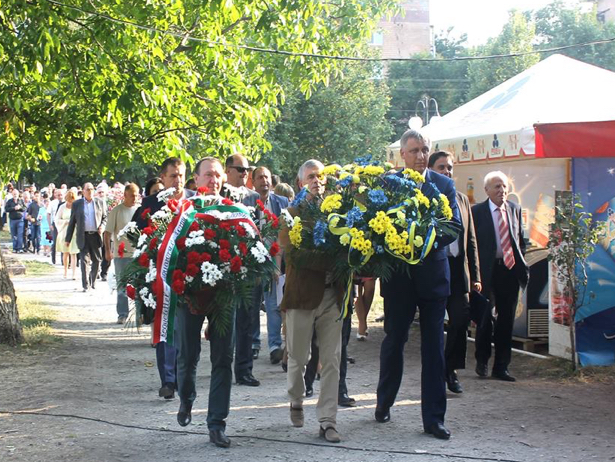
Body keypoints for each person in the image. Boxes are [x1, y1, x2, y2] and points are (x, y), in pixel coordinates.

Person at [375, 129, 461, 440]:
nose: (421, 155)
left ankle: (434, 419)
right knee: (395, 341)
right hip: (400, 280)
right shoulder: (386, 184)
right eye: (415, 150)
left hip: (434, 279)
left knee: (434, 349)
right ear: (402, 155)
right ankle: (384, 401)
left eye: (425, 149)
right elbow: (376, 227)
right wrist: (398, 244)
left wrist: (422, 241)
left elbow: (454, 228)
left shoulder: (443, 184)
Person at [279, 159, 344, 443]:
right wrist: (333, 258)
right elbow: (296, 256)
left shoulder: (340, 213)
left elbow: (350, 251)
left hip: (333, 296)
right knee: (299, 358)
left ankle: (328, 420)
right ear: (300, 183)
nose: (317, 181)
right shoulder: (290, 214)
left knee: (331, 360)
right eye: (310, 177)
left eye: (320, 176)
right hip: (302, 296)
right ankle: (295, 398)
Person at [174, 157, 235, 448]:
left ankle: (216, 423)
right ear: (196, 180)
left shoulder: (236, 212)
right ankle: (186, 398)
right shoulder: (183, 211)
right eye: (208, 175)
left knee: (223, 359)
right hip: (190, 294)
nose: (214, 180)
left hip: (223, 296)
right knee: (187, 355)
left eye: (218, 175)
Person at [133, 158, 192, 401]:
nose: (177, 180)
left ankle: (182, 375)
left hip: (189, 272)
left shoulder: (193, 200)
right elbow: (136, 235)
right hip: (158, 273)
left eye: (181, 175)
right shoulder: (150, 204)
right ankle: (168, 380)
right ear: (163, 178)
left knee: (184, 328)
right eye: (172, 176)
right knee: (165, 325)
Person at [428, 151, 481, 394]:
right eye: (441, 167)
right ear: (430, 170)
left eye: (449, 167)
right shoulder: (425, 197)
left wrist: (476, 277)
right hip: (435, 269)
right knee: (436, 324)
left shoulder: (461, 199)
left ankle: (451, 368)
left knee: (460, 320)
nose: (447, 171)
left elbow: (471, 240)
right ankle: (437, 369)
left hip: (459, 271)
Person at [472, 171, 529, 382]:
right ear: (486, 190)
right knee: (485, 318)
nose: (501, 191)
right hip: (486, 271)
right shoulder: (477, 212)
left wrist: (519, 260)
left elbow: (519, 239)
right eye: (496, 187)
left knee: (506, 320)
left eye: (504, 186)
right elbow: (472, 243)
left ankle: (502, 366)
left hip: (509, 270)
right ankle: (482, 361)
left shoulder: (514, 209)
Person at [224, 154, 262, 387]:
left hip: (249, 266)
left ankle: (244, 369)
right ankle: (222, 366)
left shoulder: (254, 197)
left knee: (248, 320)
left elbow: (260, 230)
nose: (244, 173)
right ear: (228, 169)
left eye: (247, 169)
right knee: (226, 321)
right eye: (240, 169)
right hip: (224, 268)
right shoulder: (220, 196)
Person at [252, 166, 289, 365]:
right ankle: (253, 343)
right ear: (253, 182)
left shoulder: (282, 202)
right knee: (252, 304)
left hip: (276, 259)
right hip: (252, 261)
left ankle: (275, 346)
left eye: (266, 177)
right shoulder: (247, 201)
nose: (264, 181)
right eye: (259, 178)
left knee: (274, 303)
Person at [104, 183, 140, 324]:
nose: (134, 198)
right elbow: (107, 233)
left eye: (136, 195)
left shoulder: (139, 210)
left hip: (137, 254)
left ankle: (140, 314)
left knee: (139, 286)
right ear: (125, 195)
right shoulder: (117, 211)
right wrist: (108, 250)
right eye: (131, 195)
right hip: (121, 255)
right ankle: (122, 314)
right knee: (122, 286)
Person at [65, 182, 108, 292]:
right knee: (84, 261)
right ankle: (85, 285)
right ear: (83, 191)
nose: (90, 191)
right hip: (83, 236)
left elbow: (105, 218)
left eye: (92, 189)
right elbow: (72, 222)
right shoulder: (77, 204)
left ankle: (92, 280)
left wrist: (102, 227)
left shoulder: (100, 203)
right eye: (87, 189)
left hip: (96, 236)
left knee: (97, 261)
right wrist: (68, 239)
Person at [56, 190, 80, 279]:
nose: (70, 203)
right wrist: (66, 221)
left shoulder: (76, 207)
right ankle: (65, 271)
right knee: (65, 253)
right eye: (69, 201)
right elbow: (57, 219)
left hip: (74, 232)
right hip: (64, 231)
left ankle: (74, 273)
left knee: (73, 253)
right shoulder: (62, 207)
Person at [6, 189, 26, 253]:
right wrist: (13, 208)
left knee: (20, 234)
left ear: (18, 194)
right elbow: (6, 209)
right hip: (12, 220)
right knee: (14, 234)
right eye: (14, 194)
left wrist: (20, 207)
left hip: (20, 220)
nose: (15, 195)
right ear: (12, 194)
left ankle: (20, 248)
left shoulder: (21, 200)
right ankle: (14, 248)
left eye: (16, 194)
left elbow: (25, 208)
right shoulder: (9, 201)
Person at [48, 188, 64, 265]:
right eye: (58, 195)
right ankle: (53, 259)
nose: (60, 196)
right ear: (55, 195)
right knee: (55, 241)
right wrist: (50, 224)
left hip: (63, 224)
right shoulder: (52, 203)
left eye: (61, 195)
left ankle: (63, 260)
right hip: (55, 223)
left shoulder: (65, 203)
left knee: (63, 241)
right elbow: (48, 213)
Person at [39, 192, 52, 257]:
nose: (47, 205)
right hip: (43, 226)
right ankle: (44, 250)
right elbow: (38, 217)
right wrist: (39, 217)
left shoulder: (51, 210)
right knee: (44, 239)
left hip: (49, 226)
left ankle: (48, 252)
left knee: (49, 239)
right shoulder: (41, 209)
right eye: (46, 203)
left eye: (48, 204)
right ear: (44, 204)